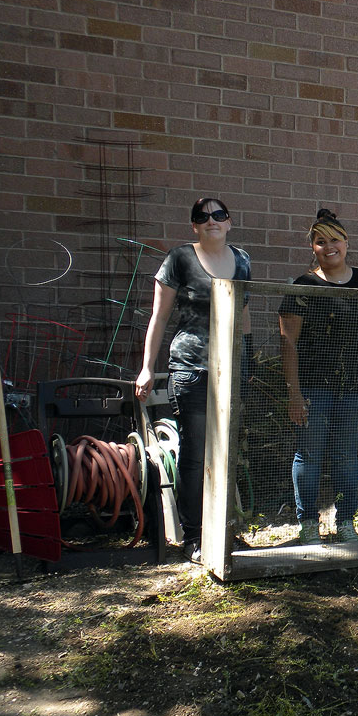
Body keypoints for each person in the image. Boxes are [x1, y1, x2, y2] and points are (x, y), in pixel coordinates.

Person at [278, 209, 358, 544]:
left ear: (346, 243)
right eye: (321, 241)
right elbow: (287, 342)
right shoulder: (302, 286)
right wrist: (293, 393)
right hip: (311, 387)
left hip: (355, 386)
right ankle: (308, 523)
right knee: (309, 453)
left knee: (346, 454)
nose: (329, 246)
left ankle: (346, 521)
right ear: (313, 247)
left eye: (334, 239)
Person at [135, 197, 252, 563]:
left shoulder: (243, 260)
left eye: (218, 215)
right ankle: (196, 538)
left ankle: (225, 530)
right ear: (194, 226)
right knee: (197, 452)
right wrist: (146, 368)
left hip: (230, 368)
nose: (211, 221)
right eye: (202, 217)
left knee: (227, 451)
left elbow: (244, 314)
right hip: (191, 368)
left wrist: (248, 363)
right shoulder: (179, 259)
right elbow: (159, 317)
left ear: (229, 222)